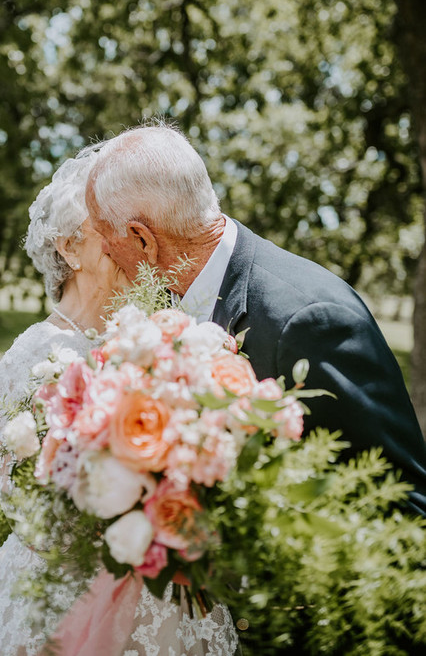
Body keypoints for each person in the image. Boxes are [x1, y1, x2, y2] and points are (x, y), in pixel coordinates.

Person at [0, 148, 238, 656]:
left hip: (169, 592)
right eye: (106, 232)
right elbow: (29, 508)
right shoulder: (36, 355)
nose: (129, 246)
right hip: (67, 602)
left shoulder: (154, 335)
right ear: (70, 247)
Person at [85, 123, 426, 517]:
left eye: (103, 234)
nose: (104, 251)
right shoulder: (165, 302)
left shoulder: (309, 322)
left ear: (143, 238)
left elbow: (405, 503)